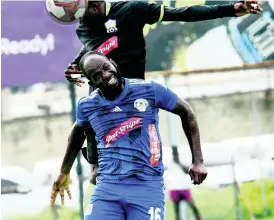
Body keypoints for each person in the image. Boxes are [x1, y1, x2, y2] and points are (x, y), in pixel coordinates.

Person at [64, 0, 263, 181]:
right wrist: (76, 65)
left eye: (89, 7)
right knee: (90, 124)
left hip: (133, 98)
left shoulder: (131, 10)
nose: (85, 15)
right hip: (104, 101)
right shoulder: (84, 28)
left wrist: (229, 9)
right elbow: (93, 48)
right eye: (80, 14)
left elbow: (183, 13)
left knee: (141, 163)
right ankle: (94, 168)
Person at [51, 51, 208, 219]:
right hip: (108, 187)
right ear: (91, 83)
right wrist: (64, 172)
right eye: (97, 75)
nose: (105, 75)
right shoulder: (87, 105)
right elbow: (77, 132)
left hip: (147, 186)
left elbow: (187, 112)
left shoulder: (149, 90)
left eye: (106, 67)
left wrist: (198, 161)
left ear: (113, 63)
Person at [165, 146, 202, 220]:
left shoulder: (181, 160)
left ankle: (198, 218)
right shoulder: (169, 162)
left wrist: (179, 163)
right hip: (174, 188)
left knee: (192, 206)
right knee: (177, 210)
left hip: (183, 187)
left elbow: (187, 171)